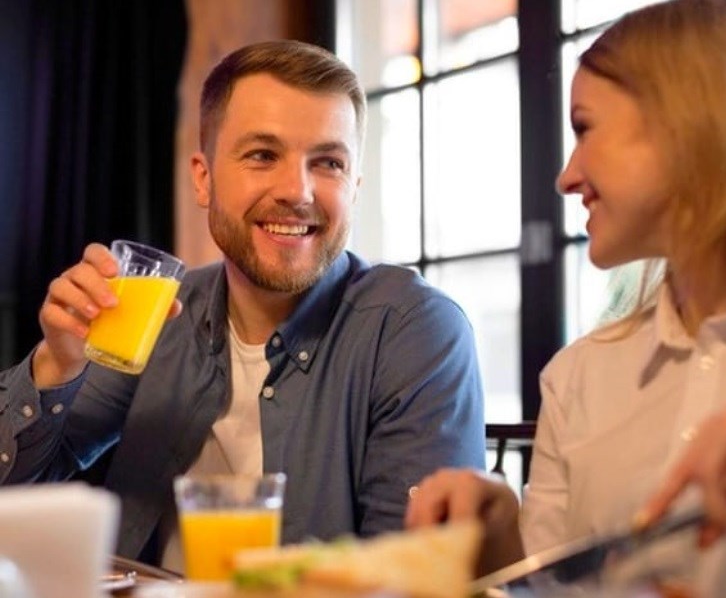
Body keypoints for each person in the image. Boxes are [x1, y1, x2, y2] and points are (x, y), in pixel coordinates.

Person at [405, 0, 726, 596]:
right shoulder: (579, 377)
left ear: (690, 124)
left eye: (585, 129)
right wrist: (502, 544)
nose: (566, 177)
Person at [0, 40, 486, 571]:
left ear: (354, 187)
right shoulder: (162, 315)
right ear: (203, 178)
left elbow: (418, 573)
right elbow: (14, 488)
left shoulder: (413, 330)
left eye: (328, 162)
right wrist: (56, 365)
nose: (298, 191)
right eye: (263, 155)